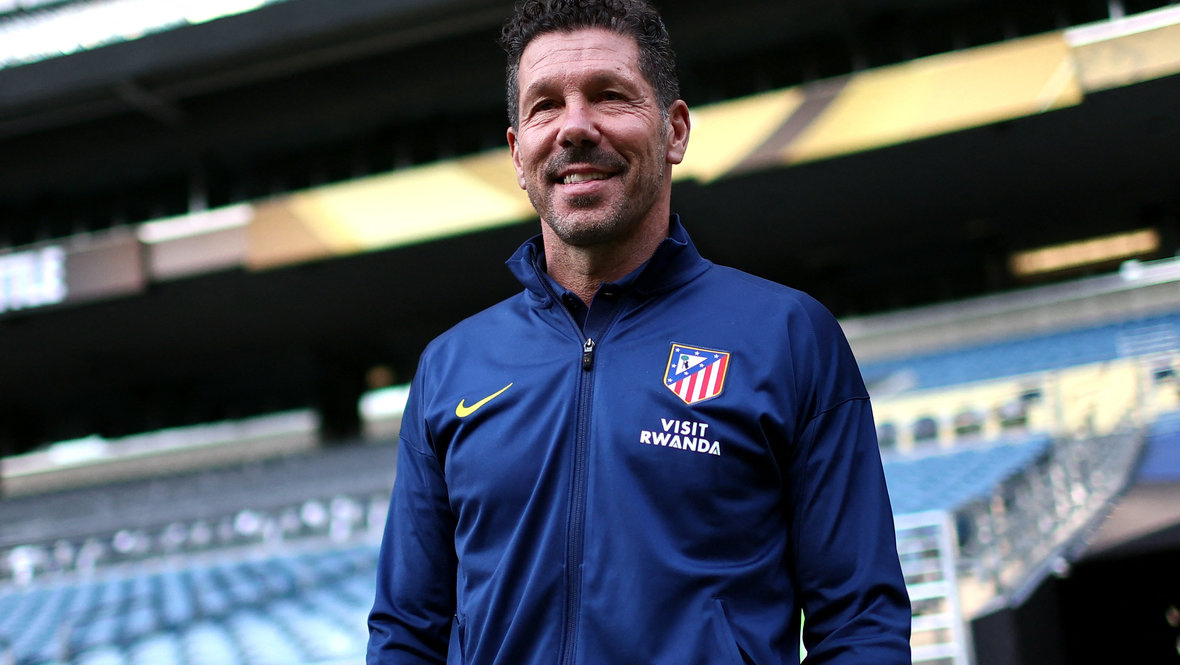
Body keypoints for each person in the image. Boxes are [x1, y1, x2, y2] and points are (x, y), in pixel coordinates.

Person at [367, 0, 912, 663]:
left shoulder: (789, 336)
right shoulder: (450, 366)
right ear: (517, 152)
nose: (574, 127)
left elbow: (859, 622)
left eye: (609, 95)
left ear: (674, 131)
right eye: (545, 105)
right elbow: (406, 632)